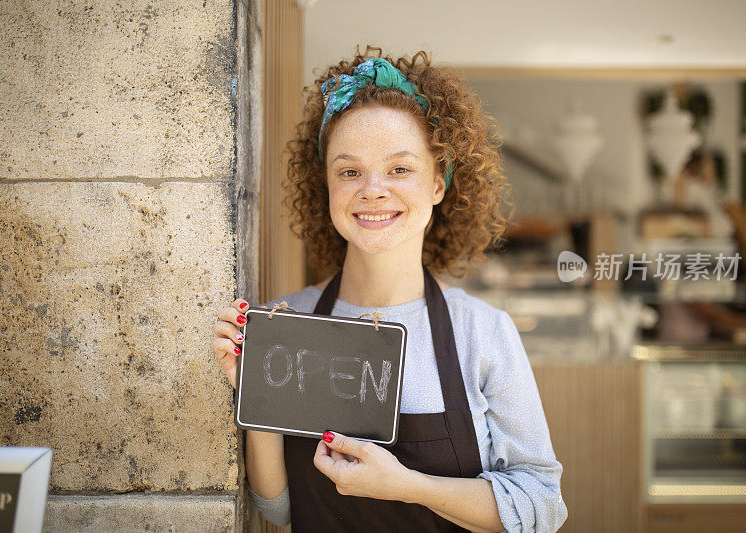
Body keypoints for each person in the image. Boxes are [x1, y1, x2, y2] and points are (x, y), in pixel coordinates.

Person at [212, 46, 568, 533]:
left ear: (439, 184)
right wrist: (254, 392)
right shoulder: (283, 323)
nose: (372, 190)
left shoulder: (482, 332)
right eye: (349, 171)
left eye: (400, 169)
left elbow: (542, 507)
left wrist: (406, 485)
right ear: (327, 187)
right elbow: (277, 511)